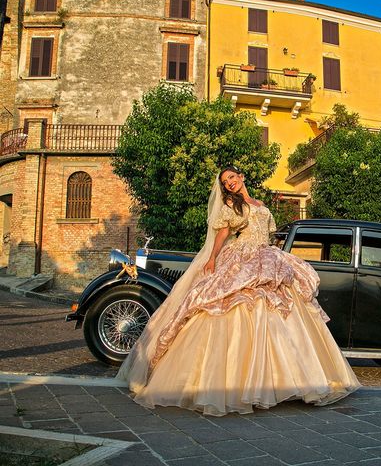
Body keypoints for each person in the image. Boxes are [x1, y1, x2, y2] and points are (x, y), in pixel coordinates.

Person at [116, 166, 360, 416]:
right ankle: (236, 381)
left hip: (266, 256)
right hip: (241, 256)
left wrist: (276, 257)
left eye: (232, 177)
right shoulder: (232, 205)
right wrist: (211, 259)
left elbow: (268, 234)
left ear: (242, 177)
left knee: (280, 310)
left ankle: (284, 380)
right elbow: (222, 234)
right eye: (225, 182)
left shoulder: (260, 203)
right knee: (233, 306)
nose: (229, 183)